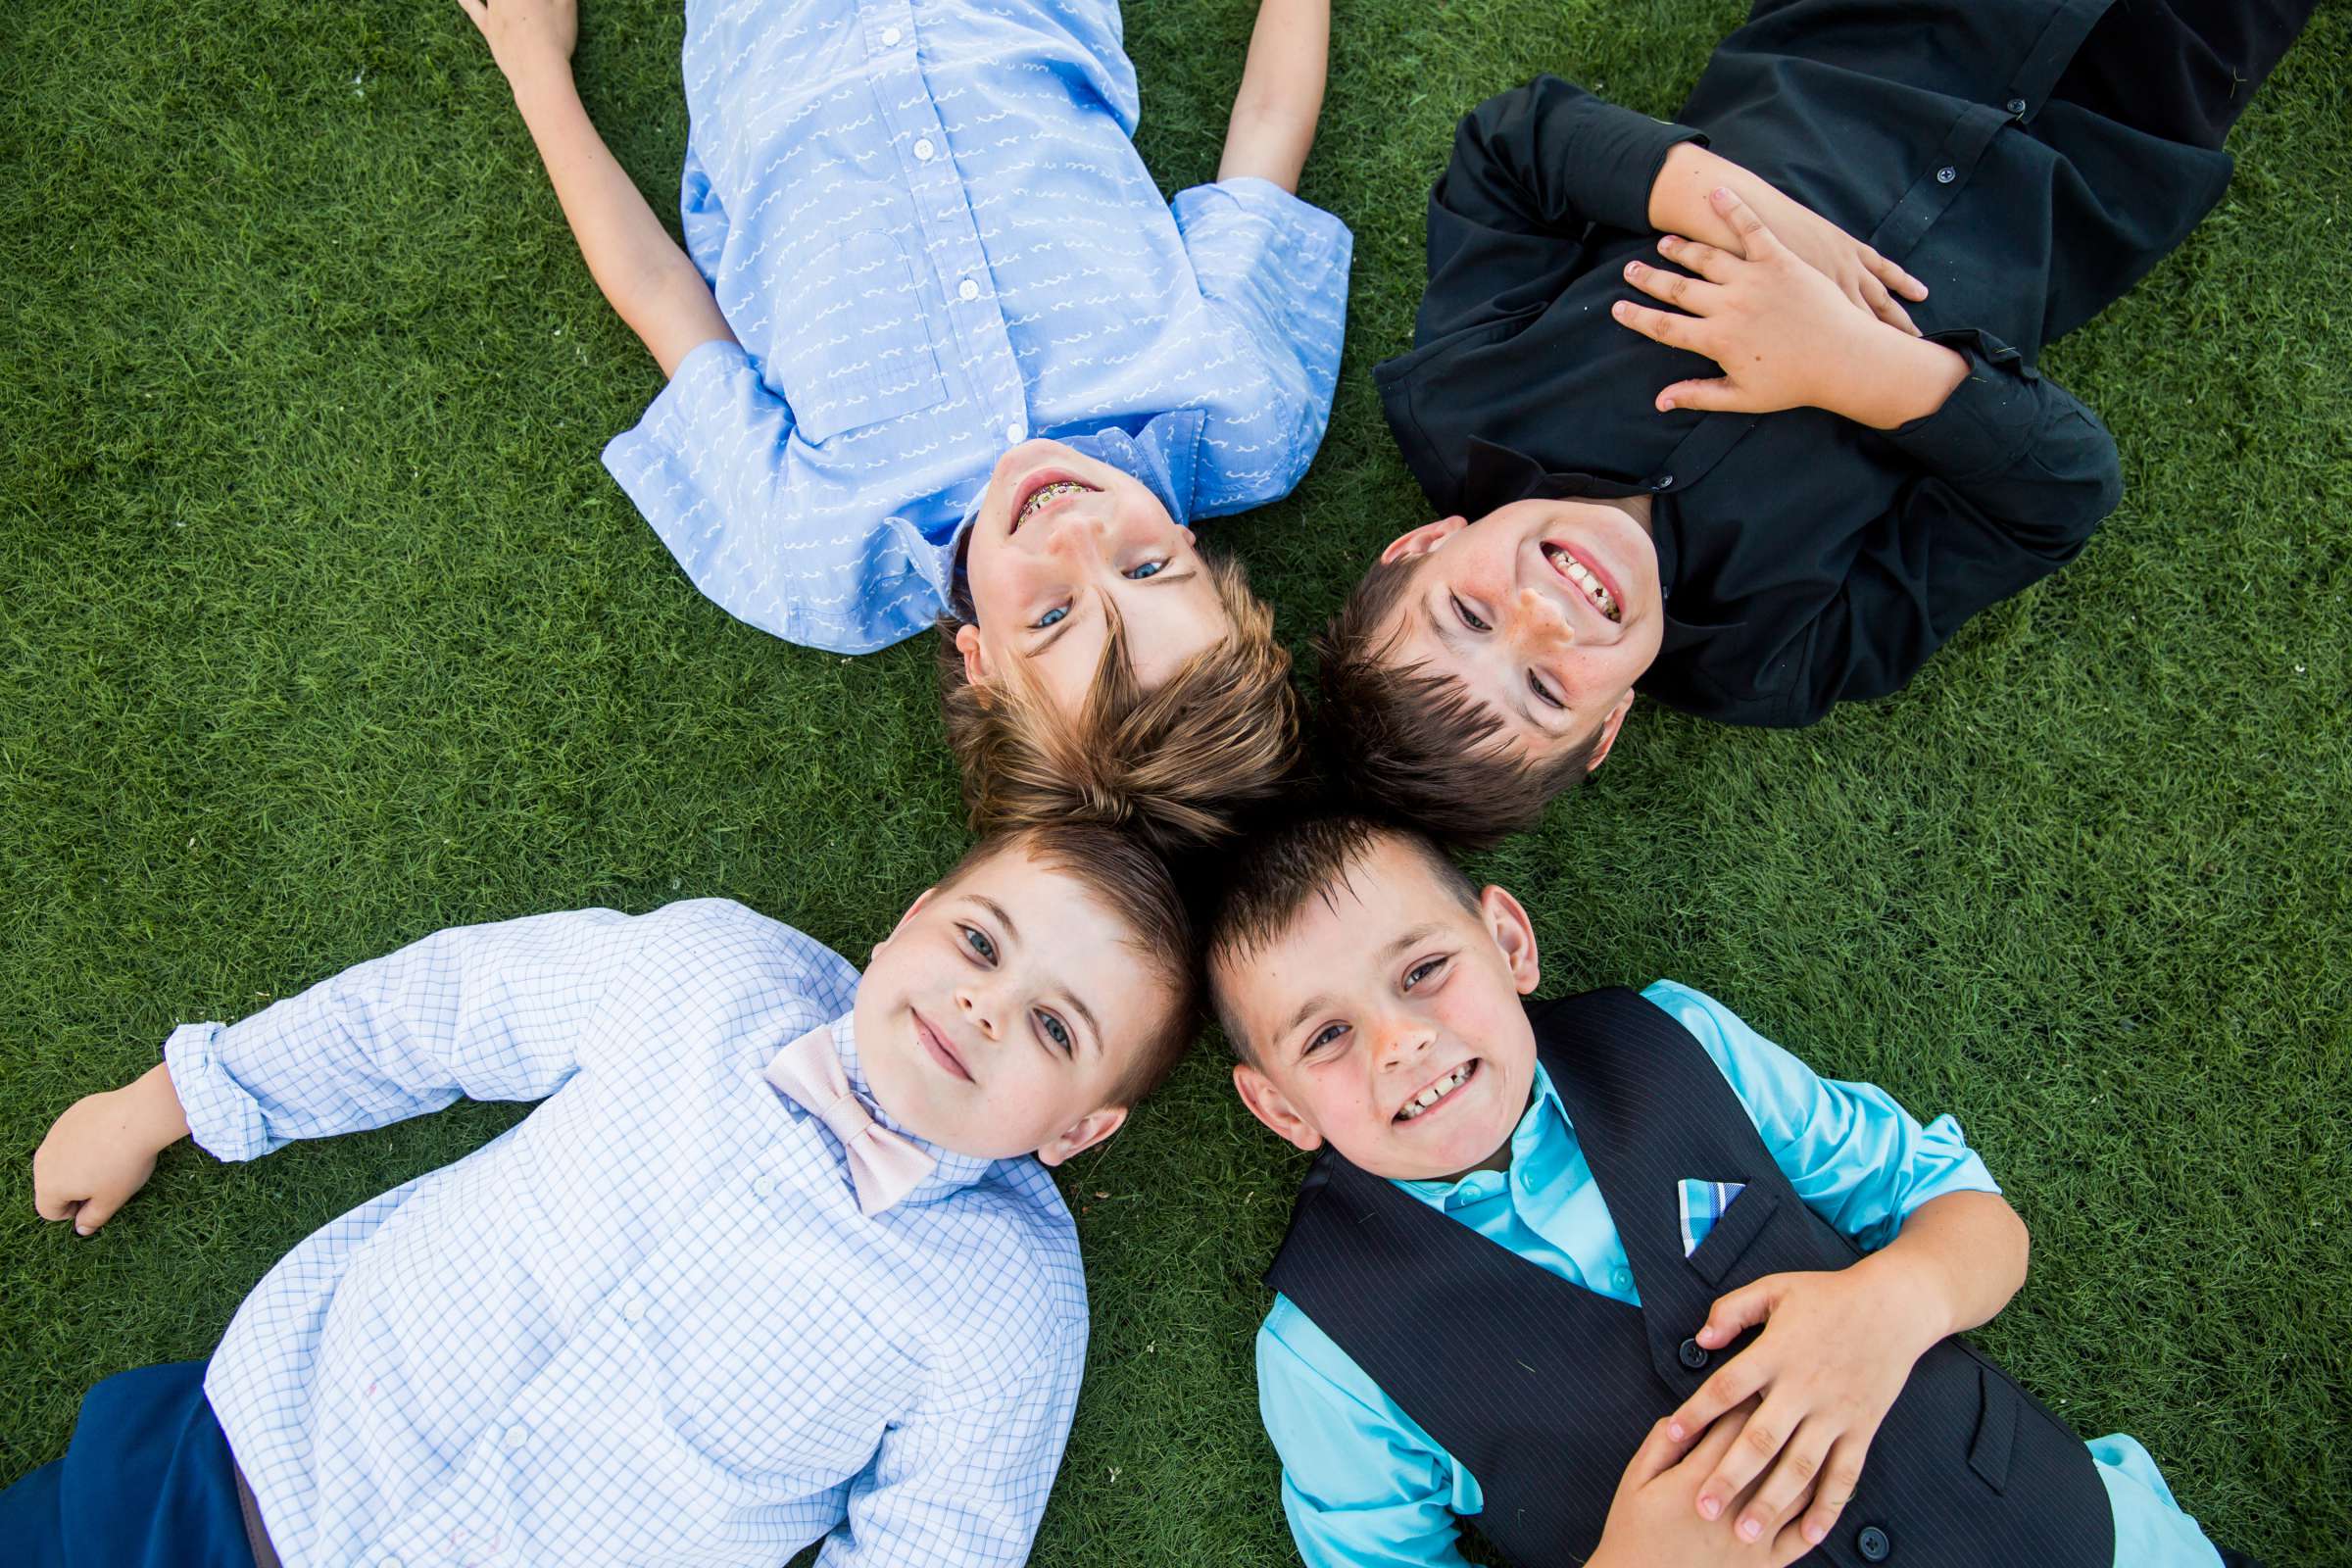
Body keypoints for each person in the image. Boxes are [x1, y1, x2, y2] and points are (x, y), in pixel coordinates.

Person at [11, 822, 1199, 1568]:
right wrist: (171, 1100)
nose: (987, 1006)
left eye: (1054, 1025)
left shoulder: (1006, 1304)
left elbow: (937, 1544)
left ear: (1078, 1130)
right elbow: (438, 1013)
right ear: (901, 931)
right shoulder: (713, 973)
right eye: (980, 944)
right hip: (236, 1468)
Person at [1317, 0, 2317, 847]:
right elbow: (2059, 493)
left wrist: (1740, 210)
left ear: (1427, 545)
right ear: (1610, 724)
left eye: (1469, 615)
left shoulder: (1462, 394)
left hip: (1885, 25)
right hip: (2124, 121)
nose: (1543, 619)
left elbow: (1511, 147)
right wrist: (1849, 361)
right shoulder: (1775, 656)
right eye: (1544, 691)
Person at [1207, 812, 2263, 1568]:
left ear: (1509, 941)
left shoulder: (1674, 1042)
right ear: (1282, 1107)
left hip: (2069, 1533)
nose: (1402, 1041)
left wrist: (1895, 1304)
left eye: (1424, 969)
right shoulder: (1325, 1357)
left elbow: (1969, 1210)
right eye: (1328, 1035)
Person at [461, 0, 1348, 850]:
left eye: (1049, 616)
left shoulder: (818, 555)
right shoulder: (1237, 409)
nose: (1078, 532)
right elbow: (1268, 124)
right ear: (1197, 551)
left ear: (982, 665)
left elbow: (662, 300)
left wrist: (533, 64)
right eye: (1149, 567)